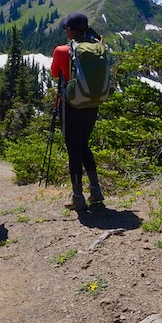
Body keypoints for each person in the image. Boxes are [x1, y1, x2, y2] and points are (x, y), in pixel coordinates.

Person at [50, 12, 104, 211]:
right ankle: (95, 190)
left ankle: (78, 196)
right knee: (83, 145)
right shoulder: (98, 47)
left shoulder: (62, 51)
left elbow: (55, 73)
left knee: (74, 149)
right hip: (93, 102)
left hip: (71, 104)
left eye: (66, 29)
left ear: (70, 31)